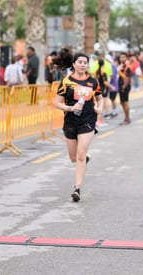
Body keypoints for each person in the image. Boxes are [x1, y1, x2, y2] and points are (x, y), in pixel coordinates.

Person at [53, 48, 103, 202]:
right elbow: (56, 103)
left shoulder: (93, 81)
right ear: (73, 64)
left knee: (80, 156)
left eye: (85, 63)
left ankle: (77, 188)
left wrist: (99, 108)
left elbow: (100, 98)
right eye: (80, 62)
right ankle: (84, 158)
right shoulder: (66, 82)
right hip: (70, 121)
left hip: (87, 120)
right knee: (74, 158)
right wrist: (70, 108)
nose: (82, 65)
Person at [118, 52, 132, 125]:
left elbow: (127, 78)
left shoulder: (127, 66)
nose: (122, 58)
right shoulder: (121, 66)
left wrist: (123, 87)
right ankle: (126, 118)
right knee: (122, 102)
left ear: (126, 58)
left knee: (125, 102)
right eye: (121, 57)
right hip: (121, 86)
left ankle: (127, 119)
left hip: (124, 87)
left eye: (123, 57)